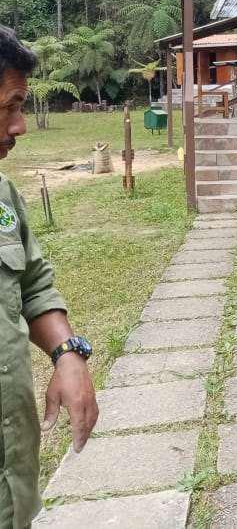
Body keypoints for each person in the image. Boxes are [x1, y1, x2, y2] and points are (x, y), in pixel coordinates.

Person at [0, 26, 98, 527]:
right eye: (11, 106)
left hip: (12, 478)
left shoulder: (2, 194)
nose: (20, 126)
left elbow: (33, 284)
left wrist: (68, 354)